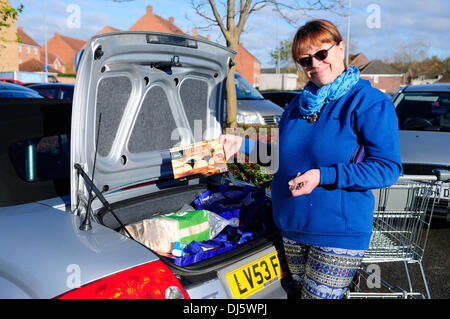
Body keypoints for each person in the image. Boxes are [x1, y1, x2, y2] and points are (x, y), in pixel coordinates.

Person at [220, 19, 402, 299]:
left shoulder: (368, 102)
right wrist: (241, 145)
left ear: (340, 49)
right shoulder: (298, 104)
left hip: (337, 232)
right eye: (304, 60)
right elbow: (284, 155)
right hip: (292, 226)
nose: (314, 64)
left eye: (321, 54)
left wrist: (323, 175)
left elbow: (387, 169)